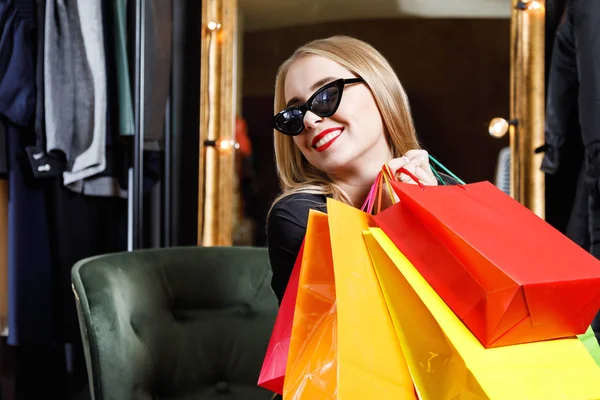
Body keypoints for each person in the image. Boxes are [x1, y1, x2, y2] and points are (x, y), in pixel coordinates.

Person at [266, 35, 457, 303]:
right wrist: (399, 223)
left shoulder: (452, 191)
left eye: (327, 94)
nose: (309, 119)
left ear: (380, 89)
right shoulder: (301, 217)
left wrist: (437, 213)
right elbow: (348, 329)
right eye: (294, 114)